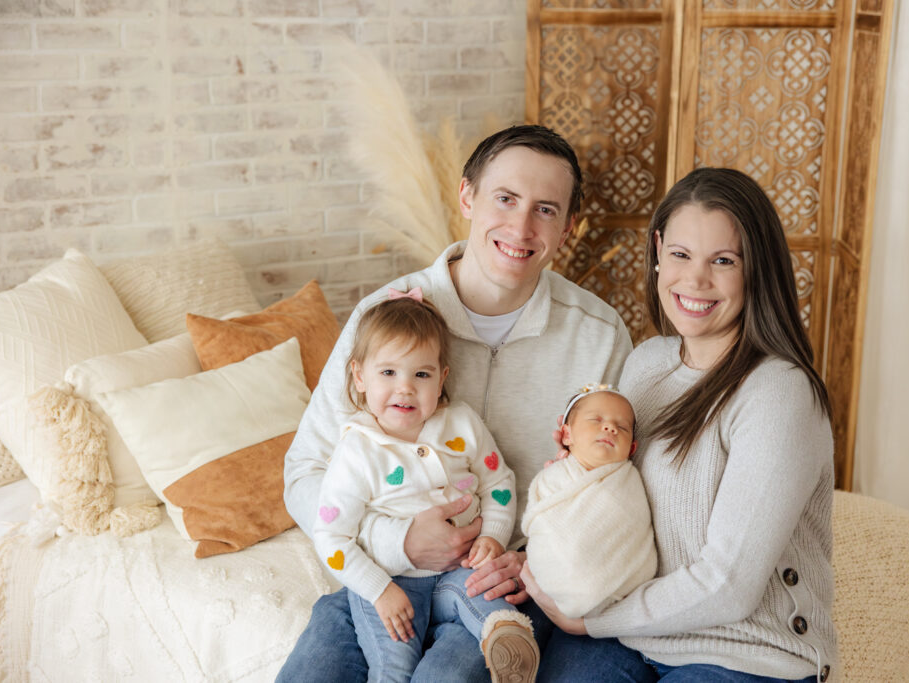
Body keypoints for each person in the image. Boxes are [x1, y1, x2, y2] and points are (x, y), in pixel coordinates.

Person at [279, 124, 633, 682]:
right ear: (467, 196)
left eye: (545, 209)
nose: (520, 226)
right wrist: (396, 543)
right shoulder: (387, 318)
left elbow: (618, 486)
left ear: (569, 226)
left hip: (499, 587)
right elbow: (304, 470)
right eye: (505, 198)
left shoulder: (599, 335)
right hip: (382, 580)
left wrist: (536, 561)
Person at [522, 167, 838, 683]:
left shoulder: (778, 392)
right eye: (681, 255)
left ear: (756, 269)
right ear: (657, 249)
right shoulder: (647, 364)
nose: (695, 281)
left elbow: (730, 584)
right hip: (633, 635)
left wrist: (593, 620)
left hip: (745, 650)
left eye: (723, 261)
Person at [313, 291, 537, 682]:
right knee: (394, 665)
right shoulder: (357, 452)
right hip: (391, 582)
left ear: (441, 378)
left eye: (421, 374)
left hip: (459, 570)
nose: (405, 388)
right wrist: (378, 590)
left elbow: (499, 482)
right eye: (388, 373)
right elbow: (331, 539)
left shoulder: (461, 424)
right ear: (359, 375)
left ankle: (511, 647)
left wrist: (494, 536)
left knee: (489, 599)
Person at [521, 383, 656, 620]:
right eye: (596, 420)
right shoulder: (552, 477)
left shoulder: (628, 483)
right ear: (566, 434)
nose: (610, 427)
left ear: (632, 448)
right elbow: (540, 523)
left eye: (622, 427)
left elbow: (633, 526)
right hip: (552, 584)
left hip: (620, 594)